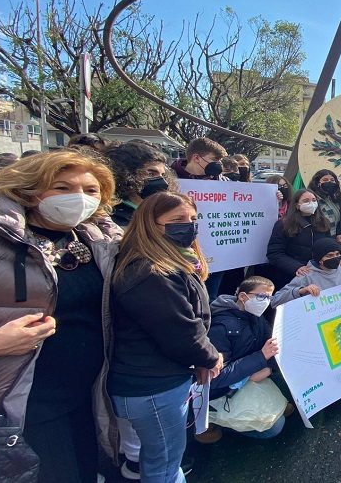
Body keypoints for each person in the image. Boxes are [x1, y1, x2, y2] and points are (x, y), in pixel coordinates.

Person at [0, 150, 121, 482]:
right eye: (62, 187)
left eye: (90, 190)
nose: (79, 198)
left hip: (88, 393)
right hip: (20, 398)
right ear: (29, 189)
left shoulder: (98, 240)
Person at [109, 192, 222, 483]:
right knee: (165, 466)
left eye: (193, 219)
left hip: (157, 381)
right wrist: (210, 357)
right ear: (150, 225)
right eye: (177, 220)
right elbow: (180, 330)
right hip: (152, 386)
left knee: (161, 460)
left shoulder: (170, 262)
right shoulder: (151, 272)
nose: (189, 225)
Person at [202, 276, 290, 442]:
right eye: (262, 297)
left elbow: (272, 344)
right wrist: (257, 363)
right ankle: (214, 420)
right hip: (223, 390)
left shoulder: (256, 317)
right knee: (274, 427)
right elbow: (215, 378)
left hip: (251, 373)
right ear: (243, 296)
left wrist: (268, 366)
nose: (266, 302)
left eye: (269, 297)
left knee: (290, 384)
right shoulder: (220, 327)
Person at [266, 188, 332, 290]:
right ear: (297, 205)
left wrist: (336, 257)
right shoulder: (284, 224)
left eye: (314, 200)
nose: (311, 203)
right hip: (291, 277)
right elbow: (274, 253)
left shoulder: (323, 222)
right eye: (306, 201)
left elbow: (329, 246)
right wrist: (296, 267)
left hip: (318, 275)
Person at [105, 141, 170, 226]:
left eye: (163, 175)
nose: (163, 181)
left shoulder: (157, 212)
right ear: (126, 173)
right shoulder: (112, 217)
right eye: (151, 173)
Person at [308, 169, 341, 236]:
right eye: (325, 180)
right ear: (317, 183)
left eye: (332, 180)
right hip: (320, 239)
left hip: (334, 239)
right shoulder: (313, 200)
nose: (329, 182)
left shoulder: (333, 199)